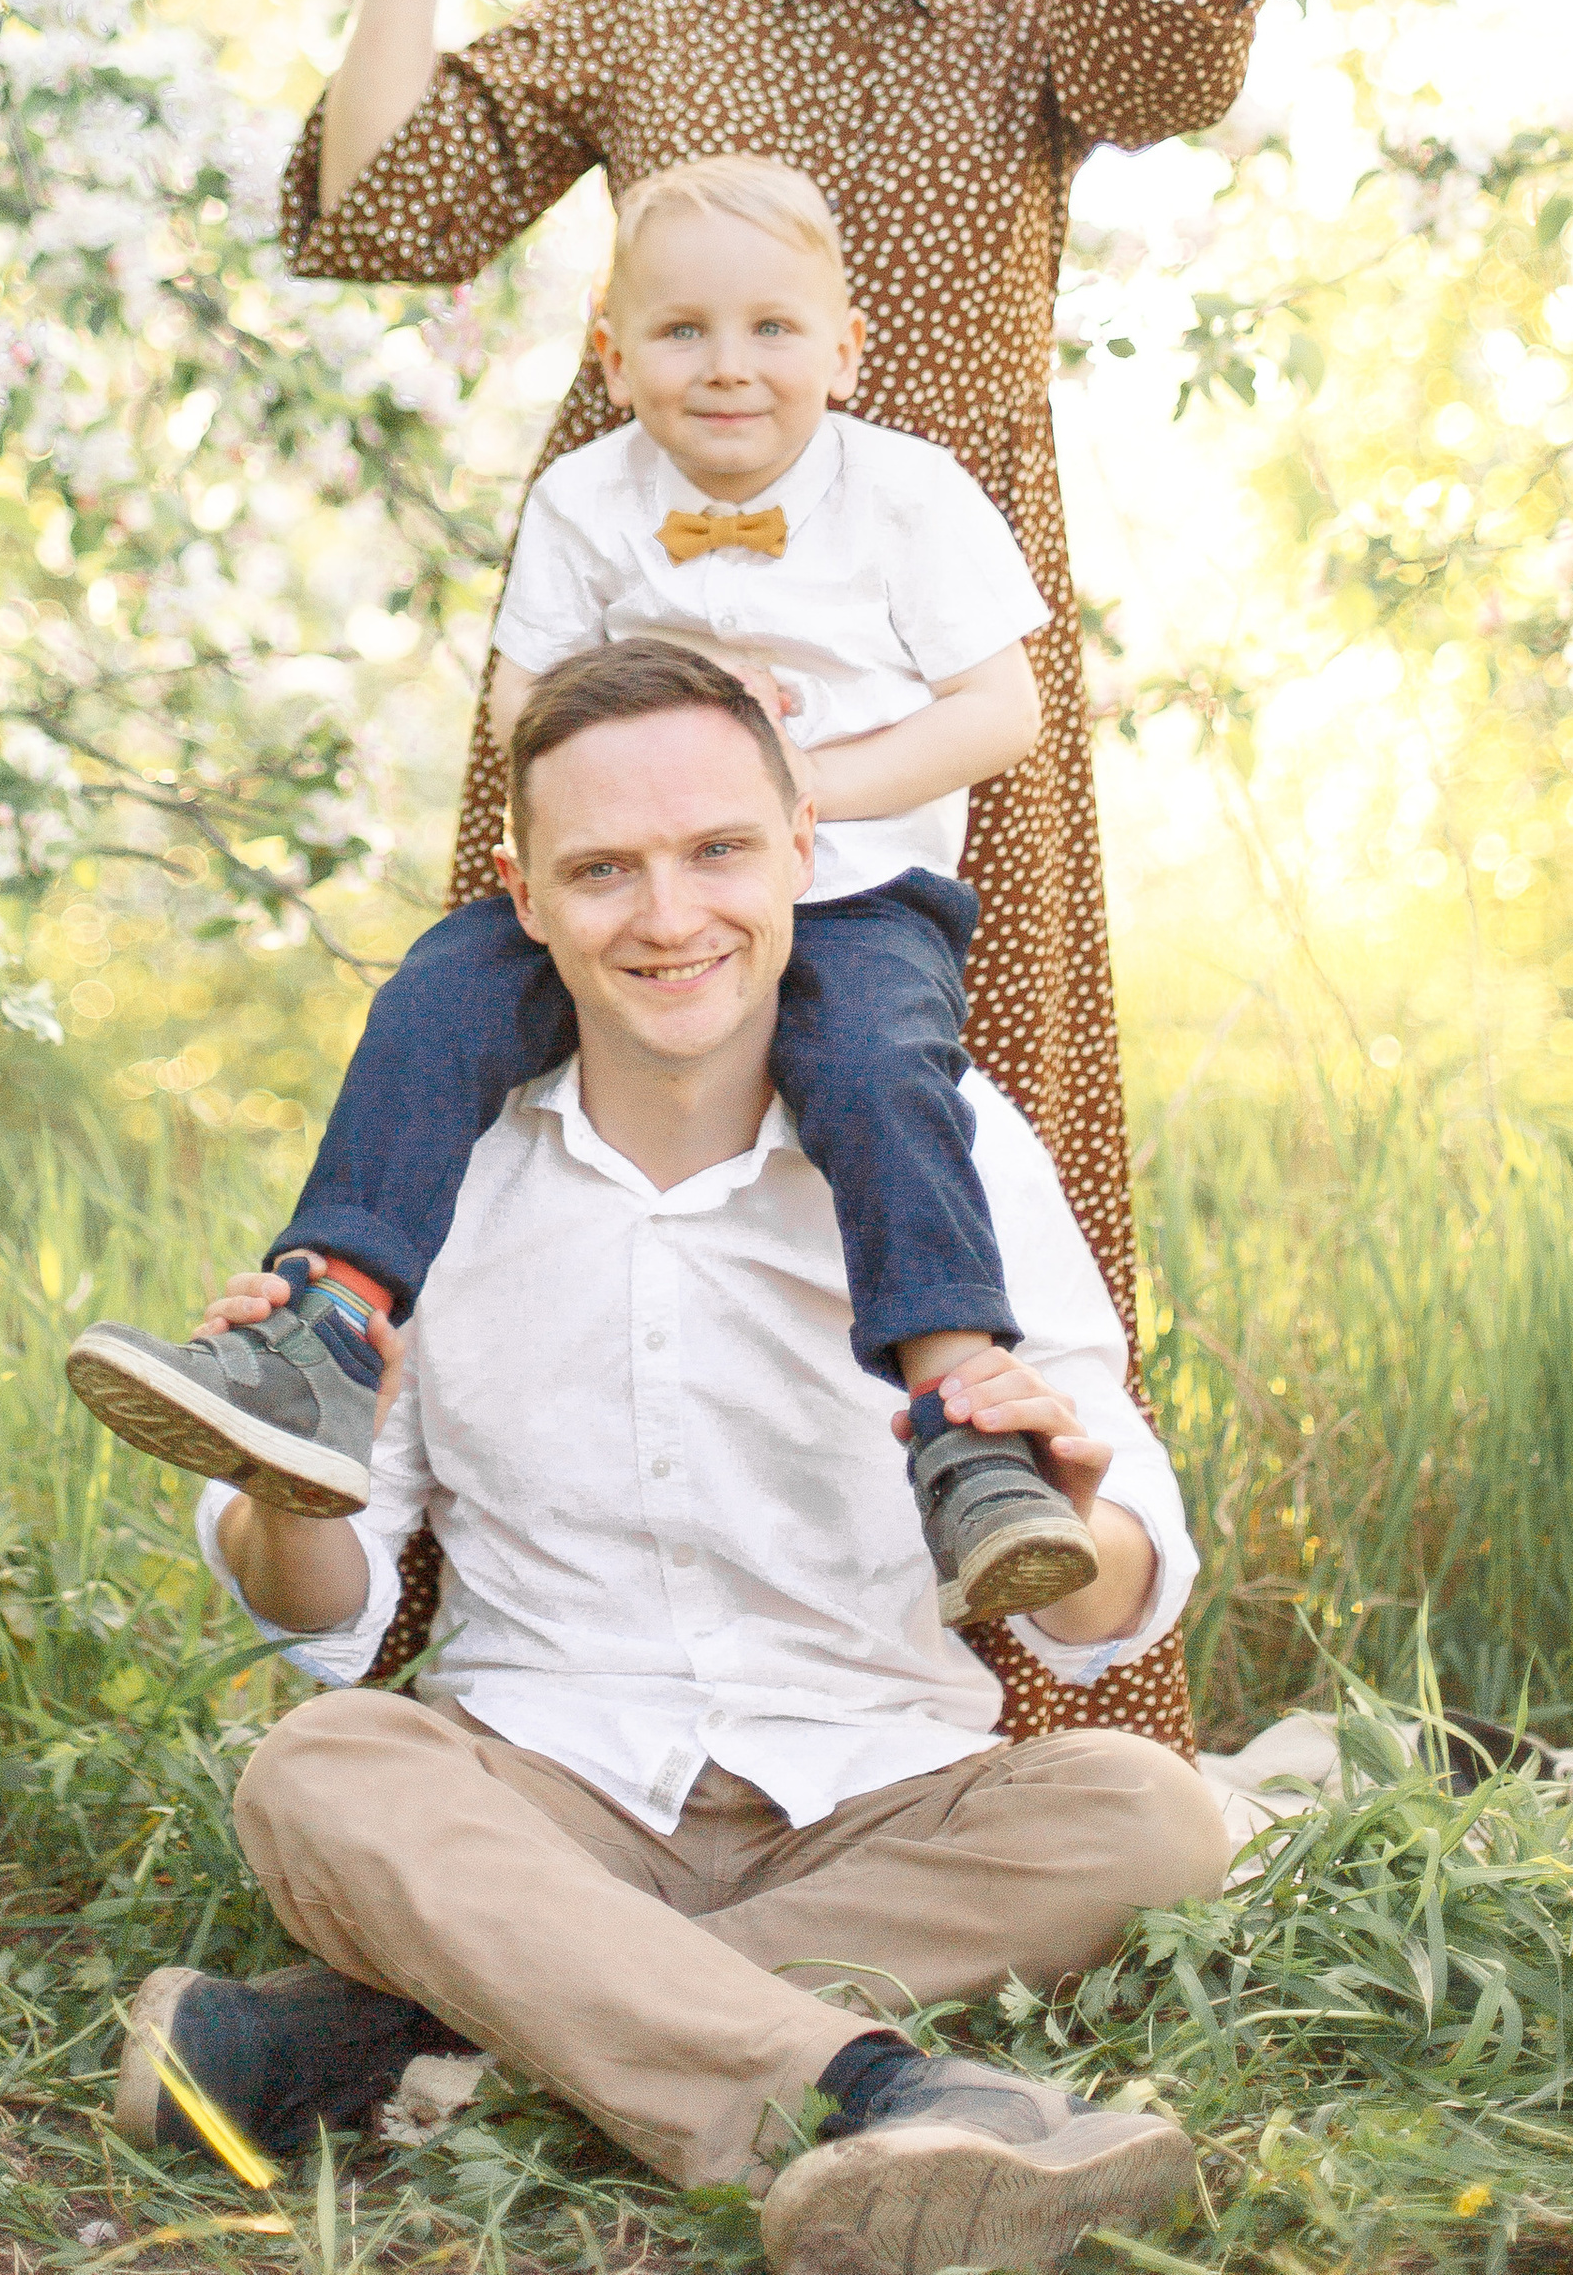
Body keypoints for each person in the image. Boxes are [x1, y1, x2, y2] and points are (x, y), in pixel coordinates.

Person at [285, 0, 1263, 1753]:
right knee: (529, 1081)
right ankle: (539, 1709)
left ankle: (995, 1698)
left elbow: (1180, 45)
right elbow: (386, 208)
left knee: (927, 1120)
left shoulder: (1029, 10)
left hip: (912, 702)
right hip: (629, 684)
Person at [113, 644, 1235, 2275]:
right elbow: (320, 1622)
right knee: (321, 1772)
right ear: (525, 895)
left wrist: (1074, 1517)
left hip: (880, 1795)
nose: (668, 916)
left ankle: (420, 2033)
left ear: (800, 854)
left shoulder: (953, 1139)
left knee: (1151, 1819)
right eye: (603, 871)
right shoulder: (436, 1156)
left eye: (717, 851)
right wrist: (300, 1486)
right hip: (541, 1784)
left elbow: (1109, 1601)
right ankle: (867, 2100)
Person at [68, 151, 1102, 1634]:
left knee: (879, 1075)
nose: (727, 365)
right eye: (681, 331)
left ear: (845, 349)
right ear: (613, 359)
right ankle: (330, 1329)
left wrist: (785, 787)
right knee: (437, 997)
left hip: (859, 893)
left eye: (771, 328)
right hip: (627, 880)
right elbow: (519, 705)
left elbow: (1002, 714)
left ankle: (966, 1428)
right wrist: (656, 718)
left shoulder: (907, 498)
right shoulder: (584, 498)